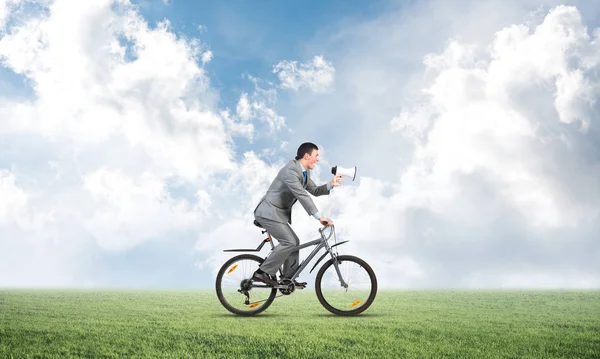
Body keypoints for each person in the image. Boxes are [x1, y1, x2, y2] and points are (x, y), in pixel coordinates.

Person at [251, 142, 343, 286]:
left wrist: (330, 184)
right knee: (289, 242)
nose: (318, 159)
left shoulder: (304, 173)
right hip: (268, 212)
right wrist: (319, 217)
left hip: (277, 214)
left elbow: (315, 191)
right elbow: (301, 194)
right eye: (316, 155)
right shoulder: (290, 171)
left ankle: (288, 279)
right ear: (307, 156)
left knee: (295, 243)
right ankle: (261, 273)